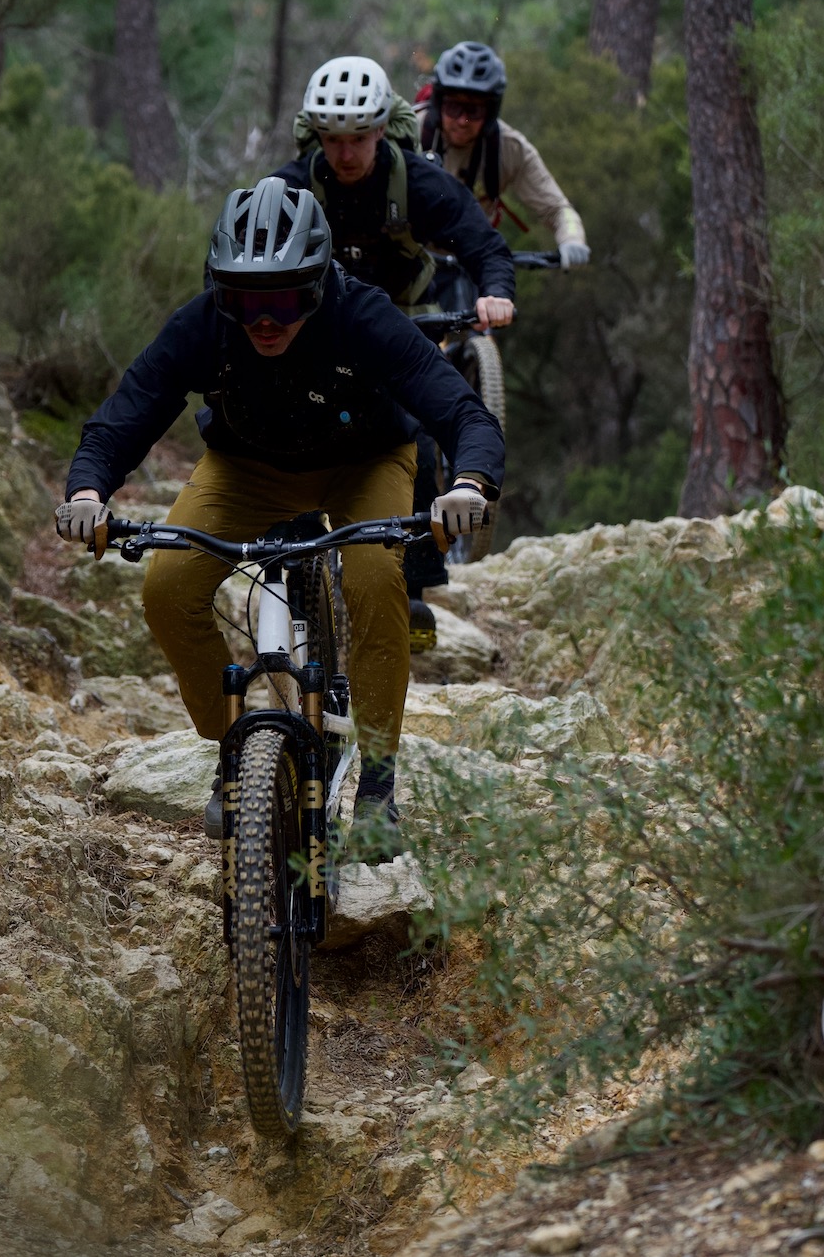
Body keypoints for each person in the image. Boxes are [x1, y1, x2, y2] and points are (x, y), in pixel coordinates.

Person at [53, 178, 504, 861]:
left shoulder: (365, 315)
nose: (265, 319)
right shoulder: (202, 325)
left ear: (321, 283)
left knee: (377, 578)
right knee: (167, 587)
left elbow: (463, 411)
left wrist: (468, 482)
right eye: (244, 299)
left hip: (366, 460)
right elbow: (126, 413)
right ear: (218, 289)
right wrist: (88, 492)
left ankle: (378, 784)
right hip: (248, 468)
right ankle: (234, 748)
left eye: (287, 298)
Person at [269, 55, 517, 644]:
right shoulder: (294, 185)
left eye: (358, 138)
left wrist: (495, 294)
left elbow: (484, 245)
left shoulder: (417, 183)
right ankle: (299, 571)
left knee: (415, 432)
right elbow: (242, 251)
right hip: (318, 327)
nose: (346, 153)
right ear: (316, 136)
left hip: (402, 322)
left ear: (382, 130)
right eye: (332, 139)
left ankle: (410, 590)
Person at [416, 41, 589, 271]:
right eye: (453, 107)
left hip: (471, 264)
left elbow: (558, 209)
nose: (462, 120)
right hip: (409, 260)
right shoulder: (410, 132)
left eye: (474, 111)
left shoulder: (508, 148)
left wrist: (572, 240)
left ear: (490, 111)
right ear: (438, 103)